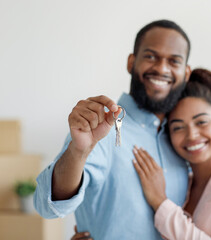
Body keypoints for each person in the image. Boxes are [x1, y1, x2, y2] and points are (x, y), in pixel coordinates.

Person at [71, 69, 211, 240]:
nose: (192, 135)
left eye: (201, 122)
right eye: (178, 127)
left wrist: (160, 202)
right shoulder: (180, 184)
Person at [34, 19, 192, 240]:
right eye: (151, 56)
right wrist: (78, 151)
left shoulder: (183, 143)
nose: (161, 68)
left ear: (186, 73)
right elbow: (48, 206)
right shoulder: (101, 129)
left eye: (174, 61)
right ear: (131, 62)